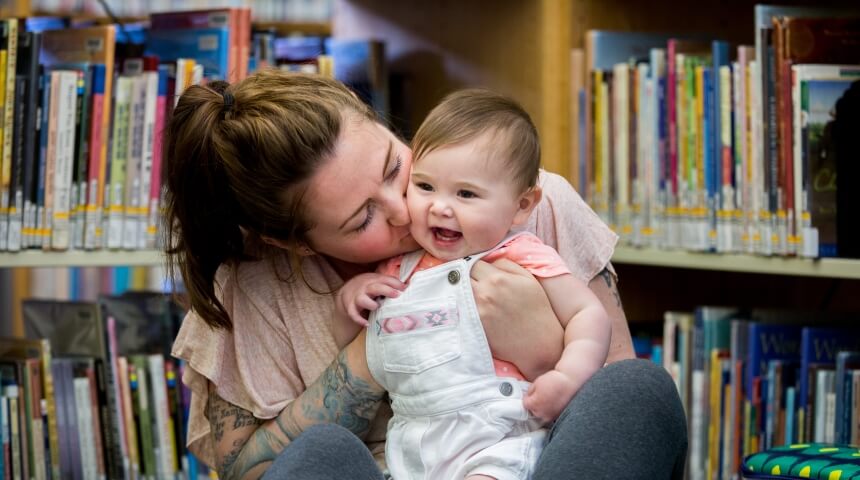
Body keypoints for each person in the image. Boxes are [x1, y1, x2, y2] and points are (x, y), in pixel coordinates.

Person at [166, 69, 687, 480]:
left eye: (396, 168)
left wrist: (537, 341)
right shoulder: (255, 286)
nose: (408, 209)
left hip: (531, 459)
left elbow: (616, 407)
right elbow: (246, 470)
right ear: (293, 242)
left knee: (640, 389)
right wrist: (373, 353)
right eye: (362, 218)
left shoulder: (532, 202)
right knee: (320, 451)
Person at [333, 89, 611, 479]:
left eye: (466, 194)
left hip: (497, 436)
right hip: (413, 444)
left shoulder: (520, 253)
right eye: (425, 186)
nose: (440, 207)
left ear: (521, 206)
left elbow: (588, 314)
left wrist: (567, 375)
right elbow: (358, 345)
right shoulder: (397, 268)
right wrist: (351, 300)